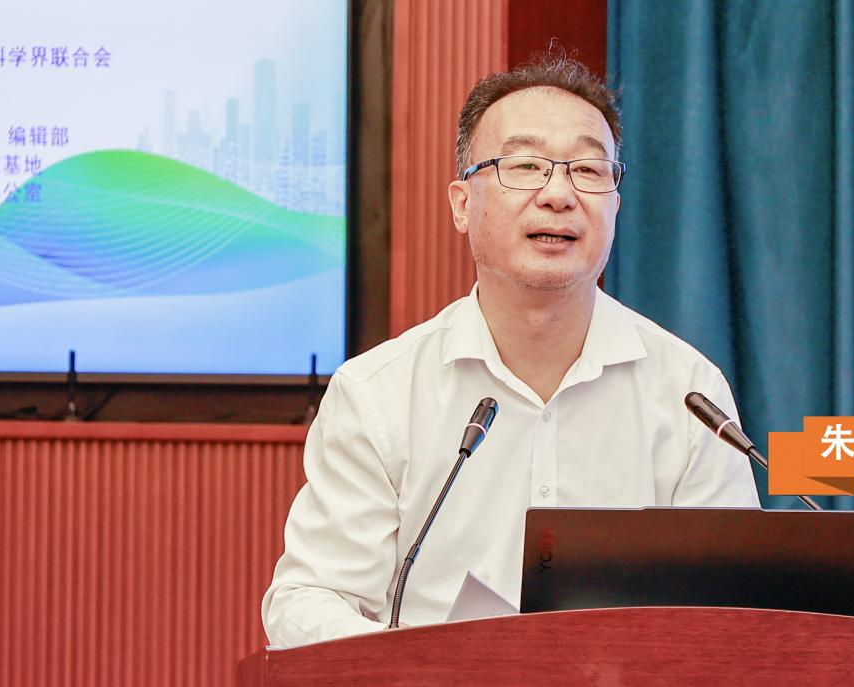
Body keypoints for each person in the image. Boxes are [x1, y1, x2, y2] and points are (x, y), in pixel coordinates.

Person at [262, 54, 760, 647]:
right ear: (462, 204)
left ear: (616, 204)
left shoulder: (689, 392)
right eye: (525, 166)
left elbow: (732, 612)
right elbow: (309, 600)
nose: (559, 194)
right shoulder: (378, 393)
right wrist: (424, 670)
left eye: (588, 170)